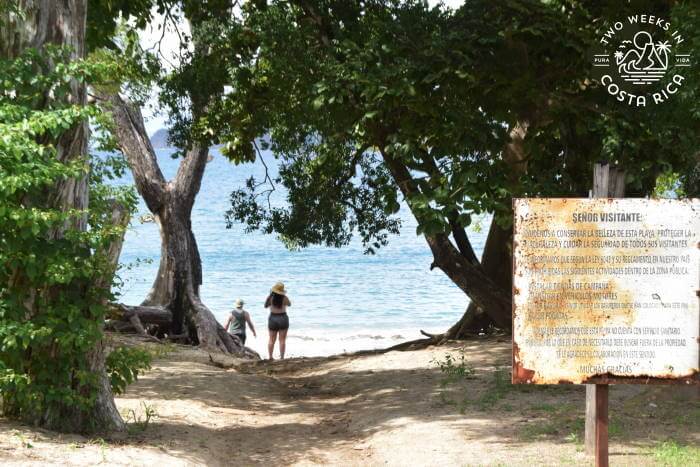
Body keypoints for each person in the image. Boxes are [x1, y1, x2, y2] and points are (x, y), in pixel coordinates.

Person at [265, 282, 291, 360]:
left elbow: (266, 306)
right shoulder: (284, 298)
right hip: (283, 317)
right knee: (282, 340)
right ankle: (282, 357)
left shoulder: (270, 298)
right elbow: (289, 304)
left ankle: (270, 356)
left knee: (271, 339)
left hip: (273, 318)